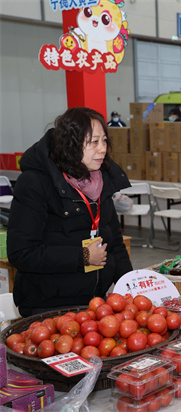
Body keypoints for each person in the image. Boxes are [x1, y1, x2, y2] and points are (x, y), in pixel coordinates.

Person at [7, 107, 133, 317]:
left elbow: (116, 244)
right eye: (94, 142)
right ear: (71, 144)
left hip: (94, 305)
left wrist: (131, 288)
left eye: (104, 141)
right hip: (48, 308)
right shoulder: (35, 183)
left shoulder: (101, 181)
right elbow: (21, 253)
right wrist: (83, 256)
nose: (102, 149)